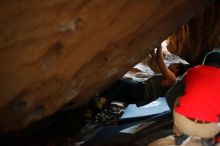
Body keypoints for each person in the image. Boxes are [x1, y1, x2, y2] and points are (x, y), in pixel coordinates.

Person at [99, 46, 189, 107]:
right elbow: (153, 64)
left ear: (177, 70)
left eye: (175, 64)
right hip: (139, 97)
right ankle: (94, 110)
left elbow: (161, 63)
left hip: (141, 91)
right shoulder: (165, 76)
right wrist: (153, 52)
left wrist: (159, 47)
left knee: (119, 83)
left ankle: (100, 104)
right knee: (113, 94)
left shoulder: (172, 78)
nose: (172, 63)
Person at [165, 49, 220, 145]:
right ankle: (208, 138)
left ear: (205, 62)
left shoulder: (193, 70)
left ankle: (182, 133)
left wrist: (178, 114)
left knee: (179, 98)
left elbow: (170, 95)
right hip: (210, 128)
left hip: (183, 124)